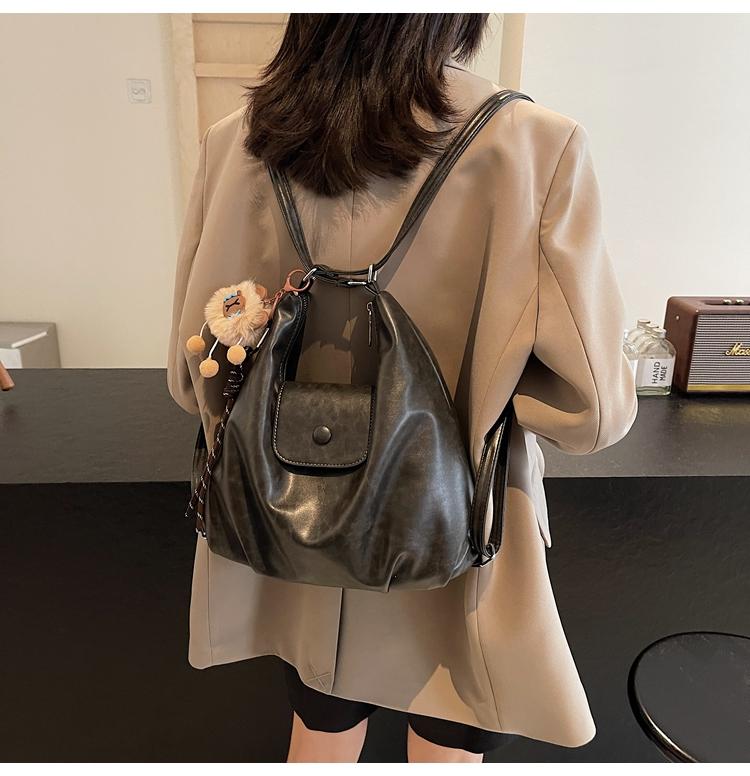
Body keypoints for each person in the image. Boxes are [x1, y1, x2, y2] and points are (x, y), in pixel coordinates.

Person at [167, 13, 638, 763]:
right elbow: (593, 410)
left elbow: (189, 377)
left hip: (288, 529)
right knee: (449, 734)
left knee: (318, 735)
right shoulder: (533, 145)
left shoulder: (238, 142)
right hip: (455, 525)